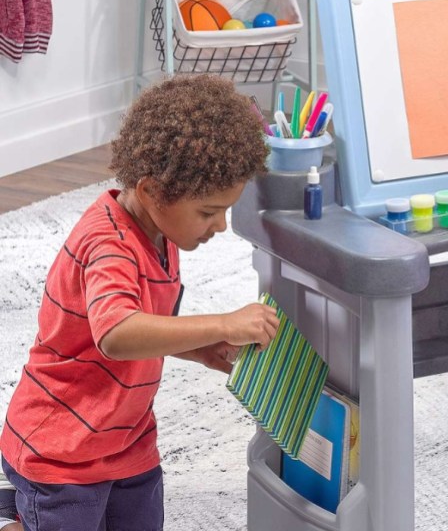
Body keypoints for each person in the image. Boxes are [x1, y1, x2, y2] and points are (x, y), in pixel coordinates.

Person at [0, 74, 280, 531]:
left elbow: (147, 328)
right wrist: (223, 323)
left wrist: (199, 350)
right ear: (151, 192)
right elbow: (118, 334)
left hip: (125, 439)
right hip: (63, 446)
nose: (222, 225)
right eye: (209, 212)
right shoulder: (108, 245)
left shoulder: (160, 233)